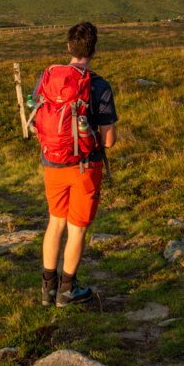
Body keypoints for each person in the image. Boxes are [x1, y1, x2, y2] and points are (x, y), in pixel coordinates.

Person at [32, 21, 117, 307]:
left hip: (52, 162)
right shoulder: (100, 86)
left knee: (55, 223)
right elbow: (108, 141)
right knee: (77, 229)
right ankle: (68, 290)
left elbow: (35, 122)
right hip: (85, 167)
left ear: (69, 47)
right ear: (94, 50)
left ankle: (48, 289)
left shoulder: (48, 76)